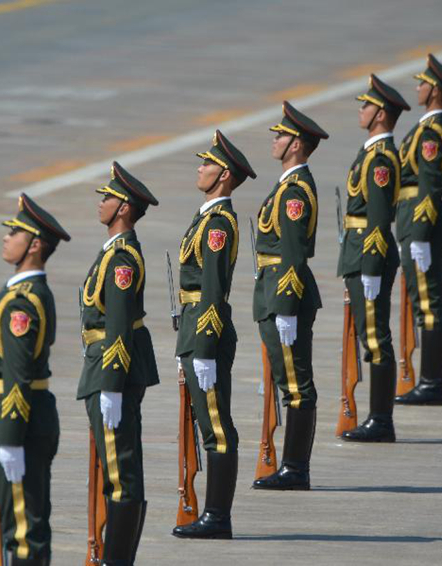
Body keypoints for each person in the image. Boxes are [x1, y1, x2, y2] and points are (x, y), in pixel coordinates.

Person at [172, 130, 256, 539]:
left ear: (223, 175)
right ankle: (211, 514)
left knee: (217, 427)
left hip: (206, 333)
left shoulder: (219, 223)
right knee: (208, 423)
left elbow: (212, 287)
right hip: (193, 329)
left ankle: (217, 517)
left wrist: (203, 346)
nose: (200, 168)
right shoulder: (206, 216)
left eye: (207, 164)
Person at [0, 193, 70, 565]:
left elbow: (17, 373)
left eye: (14, 232)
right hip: (25, 418)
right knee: (23, 523)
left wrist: (11, 438)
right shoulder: (24, 293)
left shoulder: (22, 302)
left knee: (22, 529)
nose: (6, 237)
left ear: (33, 245)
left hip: (20, 422)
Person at [77, 162, 159, 564]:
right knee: (117, 464)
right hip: (105, 367)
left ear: (124, 208)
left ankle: (117, 559)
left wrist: (110, 384)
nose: (102, 203)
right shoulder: (114, 252)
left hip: (113, 372)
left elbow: (120, 326)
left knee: (120, 468)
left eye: (108, 198)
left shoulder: (122, 259)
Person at [252, 101, 328, 490]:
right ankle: (291, 465)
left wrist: (284, 307)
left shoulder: (296, 190)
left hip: (285, 296)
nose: (276, 140)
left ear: (296, 144)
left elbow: (294, 254)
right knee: (289, 380)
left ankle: (296, 468)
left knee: (296, 384)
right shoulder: (287, 185)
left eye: (282, 135)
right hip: (274, 292)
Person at [338, 75, 409, 443]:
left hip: (370, 256)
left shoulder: (380, 157)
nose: (362, 110)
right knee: (370, 335)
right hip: (360, 252)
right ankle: (378, 417)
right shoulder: (371, 152)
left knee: (376, 337)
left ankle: (381, 420)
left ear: (380, 113)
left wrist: (369, 267)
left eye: (366, 105)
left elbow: (379, 217)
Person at [394, 55, 442, 406]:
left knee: (429, 304)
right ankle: (428, 382)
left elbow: (430, 184)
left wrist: (419, 231)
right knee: (425, 302)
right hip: (413, 221)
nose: (418, 88)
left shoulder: (433, 131)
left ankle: (431, 384)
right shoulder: (425, 127)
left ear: (434, 90)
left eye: (422, 83)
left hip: (423, 224)